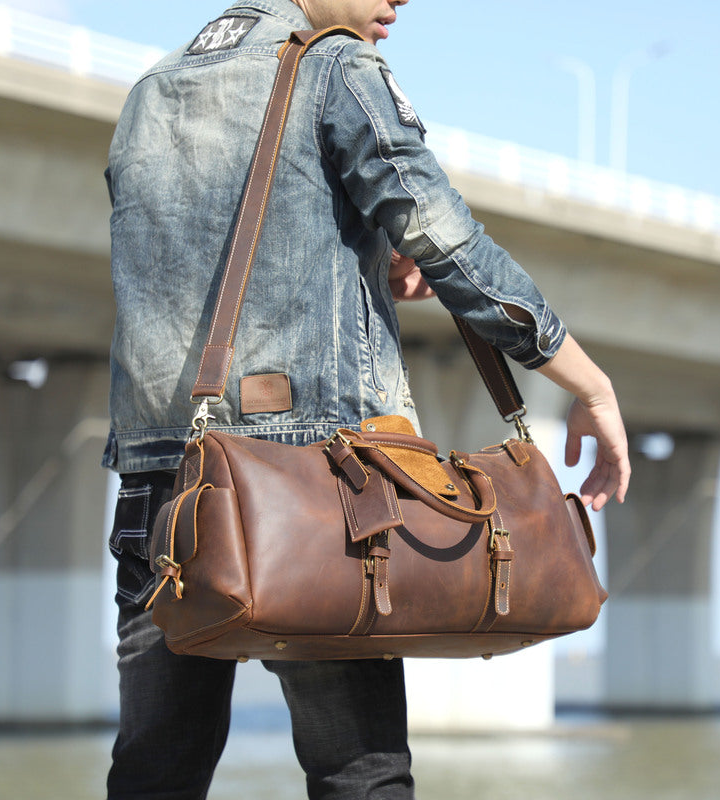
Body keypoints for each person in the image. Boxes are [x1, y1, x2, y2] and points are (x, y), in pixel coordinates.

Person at [102, 1, 631, 797]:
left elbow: (201, 263)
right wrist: (586, 380)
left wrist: (362, 251)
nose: (399, 2)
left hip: (164, 484)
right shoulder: (334, 65)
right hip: (316, 482)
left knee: (155, 774)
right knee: (361, 775)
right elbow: (443, 234)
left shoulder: (153, 85)